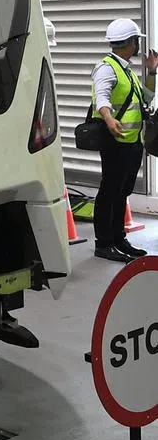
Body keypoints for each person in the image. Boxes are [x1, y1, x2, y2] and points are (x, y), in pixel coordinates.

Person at [91, 17, 158, 263]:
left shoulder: (125, 70)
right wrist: (109, 120)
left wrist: (152, 71)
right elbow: (101, 98)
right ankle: (104, 244)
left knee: (122, 192)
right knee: (109, 191)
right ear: (131, 42)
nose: (138, 46)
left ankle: (119, 239)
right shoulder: (106, 68)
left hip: (131, 142)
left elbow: (146, 98)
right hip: (114, 142)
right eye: (136, 41)